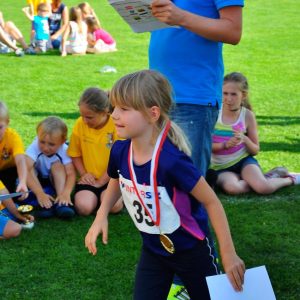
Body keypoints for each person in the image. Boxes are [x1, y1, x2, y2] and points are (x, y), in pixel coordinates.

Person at [85, 70, 245, 300]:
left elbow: (211, 201)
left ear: (152, 114)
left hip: (192, 252)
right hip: (153, 249)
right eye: (114, 107)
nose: (114, 115)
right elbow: (117, 178)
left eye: (124, 109)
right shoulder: (120, 150)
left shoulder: (172, 161)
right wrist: (101, 215)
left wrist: (228, 253)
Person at [149, 1, 244, 296]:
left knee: (190, 194)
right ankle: (178, 270)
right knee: (164, 187)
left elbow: (232, 30)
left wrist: (180, 17)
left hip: (192, 99)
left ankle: (196, 278)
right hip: (160, 94)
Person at [209, 72, 300, 194]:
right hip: (220, 168)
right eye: (225, 93)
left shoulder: (247, 115)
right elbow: (205, 146)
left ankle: (290, 179)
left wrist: (245, 139)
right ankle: (265, 177)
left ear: (244, 95)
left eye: (234, 94)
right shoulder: (214, 113)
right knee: (233, 188)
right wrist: (225, 145)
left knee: (264, 188)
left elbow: (255, 150)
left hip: (243, 161)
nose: (229, 98)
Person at [67, 87, 123, 216]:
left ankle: (111, 197)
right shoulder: (80, 124)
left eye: (89, 117)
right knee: (83, 208)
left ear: (105, 112)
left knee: (113, 207)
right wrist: (84, 174)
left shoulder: (116, 125)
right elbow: (75, 154)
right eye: (82, 116)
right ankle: (97, 198)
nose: (85, 121)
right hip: (89, 179)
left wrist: (102, 182)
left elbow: (119, 159)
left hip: (111, 178)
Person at [25, 116, 76, 219]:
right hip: (37, 182)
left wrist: (66, 193)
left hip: (56, 181)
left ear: (62, 142)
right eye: (42, 142)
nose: (45, 147)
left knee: (57, 165)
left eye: (51, 144)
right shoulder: (34, 147)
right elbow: (24, 171)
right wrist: (40, 193)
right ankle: (44, 203)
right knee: (29, 168)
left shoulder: (65, 149)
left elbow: (71, 173)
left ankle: (61, 202)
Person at [0, 101, 28, 199]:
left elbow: (20, 160)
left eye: (0, 127)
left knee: (17, 194)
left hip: (10, 171)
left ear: (7, 122)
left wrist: (22, 181)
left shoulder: (13, 137)